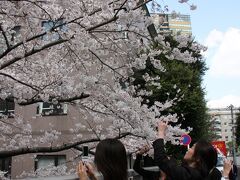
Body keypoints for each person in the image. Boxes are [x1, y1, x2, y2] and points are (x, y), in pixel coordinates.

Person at [153, 121, 221, 180]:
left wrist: (161, 132)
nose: (188, 150)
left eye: (192, 147)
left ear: (198, 158)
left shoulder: (192, 175)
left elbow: (161, 158)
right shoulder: (193, 173)